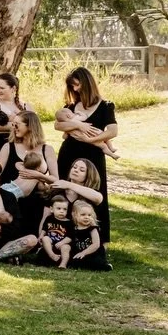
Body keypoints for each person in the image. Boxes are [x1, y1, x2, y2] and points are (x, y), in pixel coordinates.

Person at [54, 66, 117, 243]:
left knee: (95, 190)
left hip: (93, 154)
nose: (75, 90)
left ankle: (99, 238)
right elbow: (58, 126)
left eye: (76, 85)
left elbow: (112, 131)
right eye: (71, 87)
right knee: (65, 189)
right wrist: (79, 126)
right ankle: (63, 232)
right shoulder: (71, 107)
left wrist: (91, 140)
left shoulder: (105, 106)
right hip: (70, 152)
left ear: (86, 82)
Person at [0, 72, 30, 163]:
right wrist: (21, 125)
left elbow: (33, 126)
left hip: (21, 143)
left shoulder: (25, 105)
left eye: (2, 88)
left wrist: (10, 121)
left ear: (13, 88)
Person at [66, 200, 107, 270]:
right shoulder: (74, 229)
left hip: (93, 253)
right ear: (74, 215)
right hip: (80, 252)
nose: (86, 217)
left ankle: (107, 266)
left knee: (96, 263)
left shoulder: (92, 229)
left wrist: (84, 253)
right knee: (73, 262)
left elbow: (96, 245)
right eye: (83, 215)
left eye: (89, 215)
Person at [39, 195, 74, 268]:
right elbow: (44, 229)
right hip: (50, 242)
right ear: (51, 209)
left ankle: (63, 264)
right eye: (59, 208)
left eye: (65, 209)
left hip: (62, 243)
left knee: (66, 247)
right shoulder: (49, 219)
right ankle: (52, 255)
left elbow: (70, 237)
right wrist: (41, 236)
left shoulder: (69, 223)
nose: (62, 211)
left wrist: (62, 242)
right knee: (45, 238)